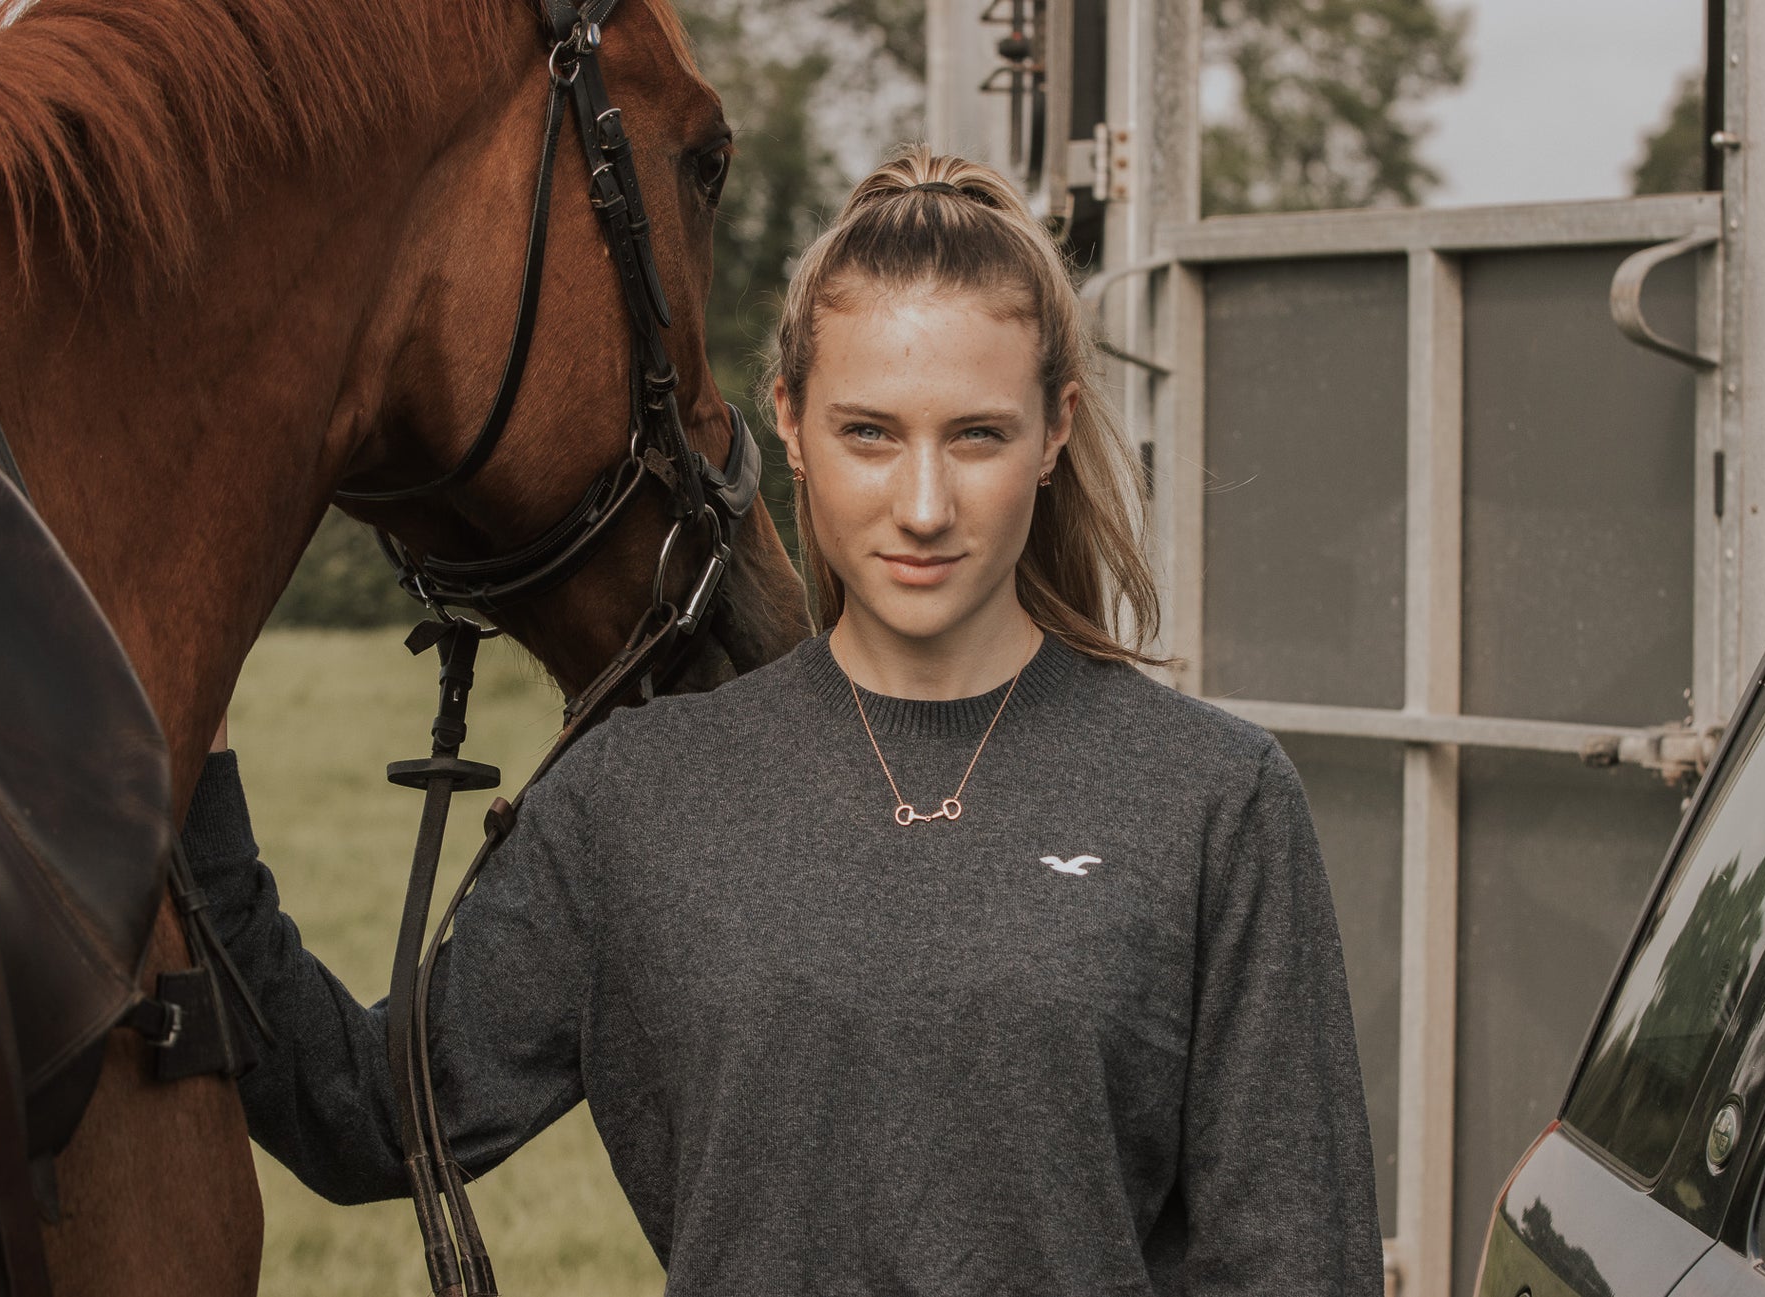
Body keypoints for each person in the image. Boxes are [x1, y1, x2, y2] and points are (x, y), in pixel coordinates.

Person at [182, 145, 1382, 1294]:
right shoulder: (638, 799)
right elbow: (366, 1118)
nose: (922, 504)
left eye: (975, 435)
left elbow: (1296, 1262)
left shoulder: (1210, 799)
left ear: (1055, 431)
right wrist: (191, 771)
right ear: (790, 423)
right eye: (869, 432)